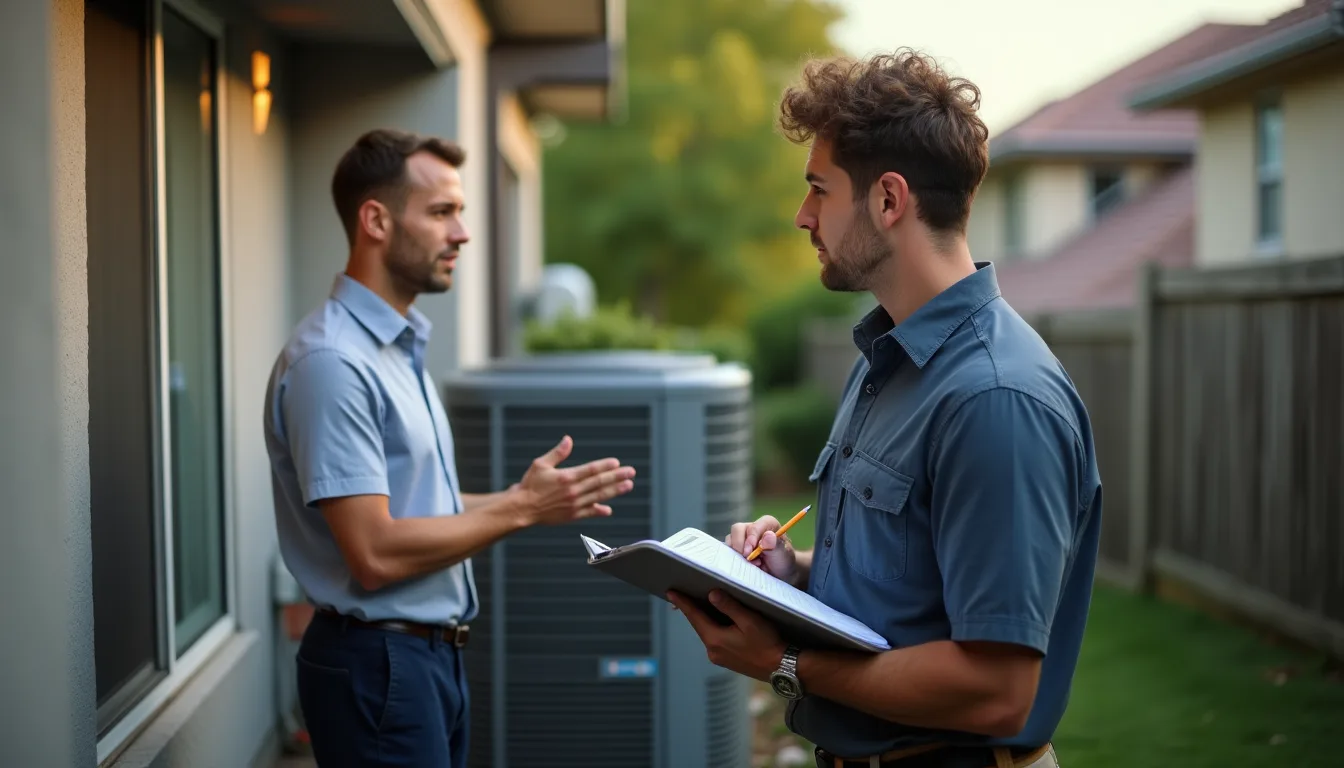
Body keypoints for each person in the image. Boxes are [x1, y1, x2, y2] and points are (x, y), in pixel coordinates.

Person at [666, 50, 1100, 768]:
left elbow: (996, 690)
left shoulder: (996, 399)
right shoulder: (888, 362)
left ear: (889, 200)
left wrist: (785, 661)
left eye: (818, 189)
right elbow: (907, 583)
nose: (802, 215)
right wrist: (793, 574)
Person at [263, 128, 637, 768]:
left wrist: (528, 497)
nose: (462, 233)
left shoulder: (391, 348)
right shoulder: (334, 363)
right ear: (375, 220)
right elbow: (374, 552)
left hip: (423, 662)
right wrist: (521, 511)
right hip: (378, 665)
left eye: (460, 212)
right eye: (442, 212)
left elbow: (410, 503)